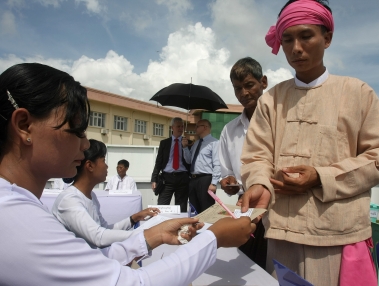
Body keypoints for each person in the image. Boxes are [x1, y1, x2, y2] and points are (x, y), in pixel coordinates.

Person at [0, 63, 256, 285]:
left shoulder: (18, 206)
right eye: (76, 130)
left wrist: (154, 234)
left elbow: (95, 263)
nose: (86, 145)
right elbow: (131, 282)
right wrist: (214, 238)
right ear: (24, 126)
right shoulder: (13, 215)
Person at [238, 0, 379, 285]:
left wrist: (321, 177)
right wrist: (259, 183)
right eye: (287, 39)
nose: (296, 48)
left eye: (306, 36)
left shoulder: (357, 93)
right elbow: (256, 156)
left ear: (327, 38)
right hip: (280, 234)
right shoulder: (271, 101)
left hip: (337, 236)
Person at [53, 139, 160, 250]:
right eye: (103, 161)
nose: (107, 166)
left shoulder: (91, 196)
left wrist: (134, 218)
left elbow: (106, 230)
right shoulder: (69, 200)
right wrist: (150, 234)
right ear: (90, 166)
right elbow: (98, 236)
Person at [219, 57, 269, 268]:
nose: (243, 93)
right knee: (245, 266)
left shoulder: (277, 122)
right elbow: (227, 172)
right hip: (244, 208)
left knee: (274, 267)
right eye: (237, 88)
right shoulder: (229, 131)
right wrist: (228, 182)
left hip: (276, 207)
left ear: (263, 82)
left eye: (249, 85)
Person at [151, 117, 190, 212]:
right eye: (178, 126)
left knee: (181, 208)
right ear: (172, 127)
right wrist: (154, 179)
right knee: (162, 206)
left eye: (182, 126)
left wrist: (185, 147)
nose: (180, 128)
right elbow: (158, 162)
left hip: (182, 178)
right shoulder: (164, 143)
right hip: (166, 179)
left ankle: (181, 226)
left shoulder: (188, 143)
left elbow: (190, 161)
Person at [182, 119, 220, 213]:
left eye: (197, 126)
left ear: (205, 127)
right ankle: (197, 227)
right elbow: (189, 160)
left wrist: (214, 183)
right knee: (194, 207)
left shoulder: (215, 143)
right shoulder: (196, 143)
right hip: (193, 179)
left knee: (207, 207)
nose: (195, 128)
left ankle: (207, 227)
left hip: (206, 179)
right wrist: (185, 147)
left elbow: (217, 163)